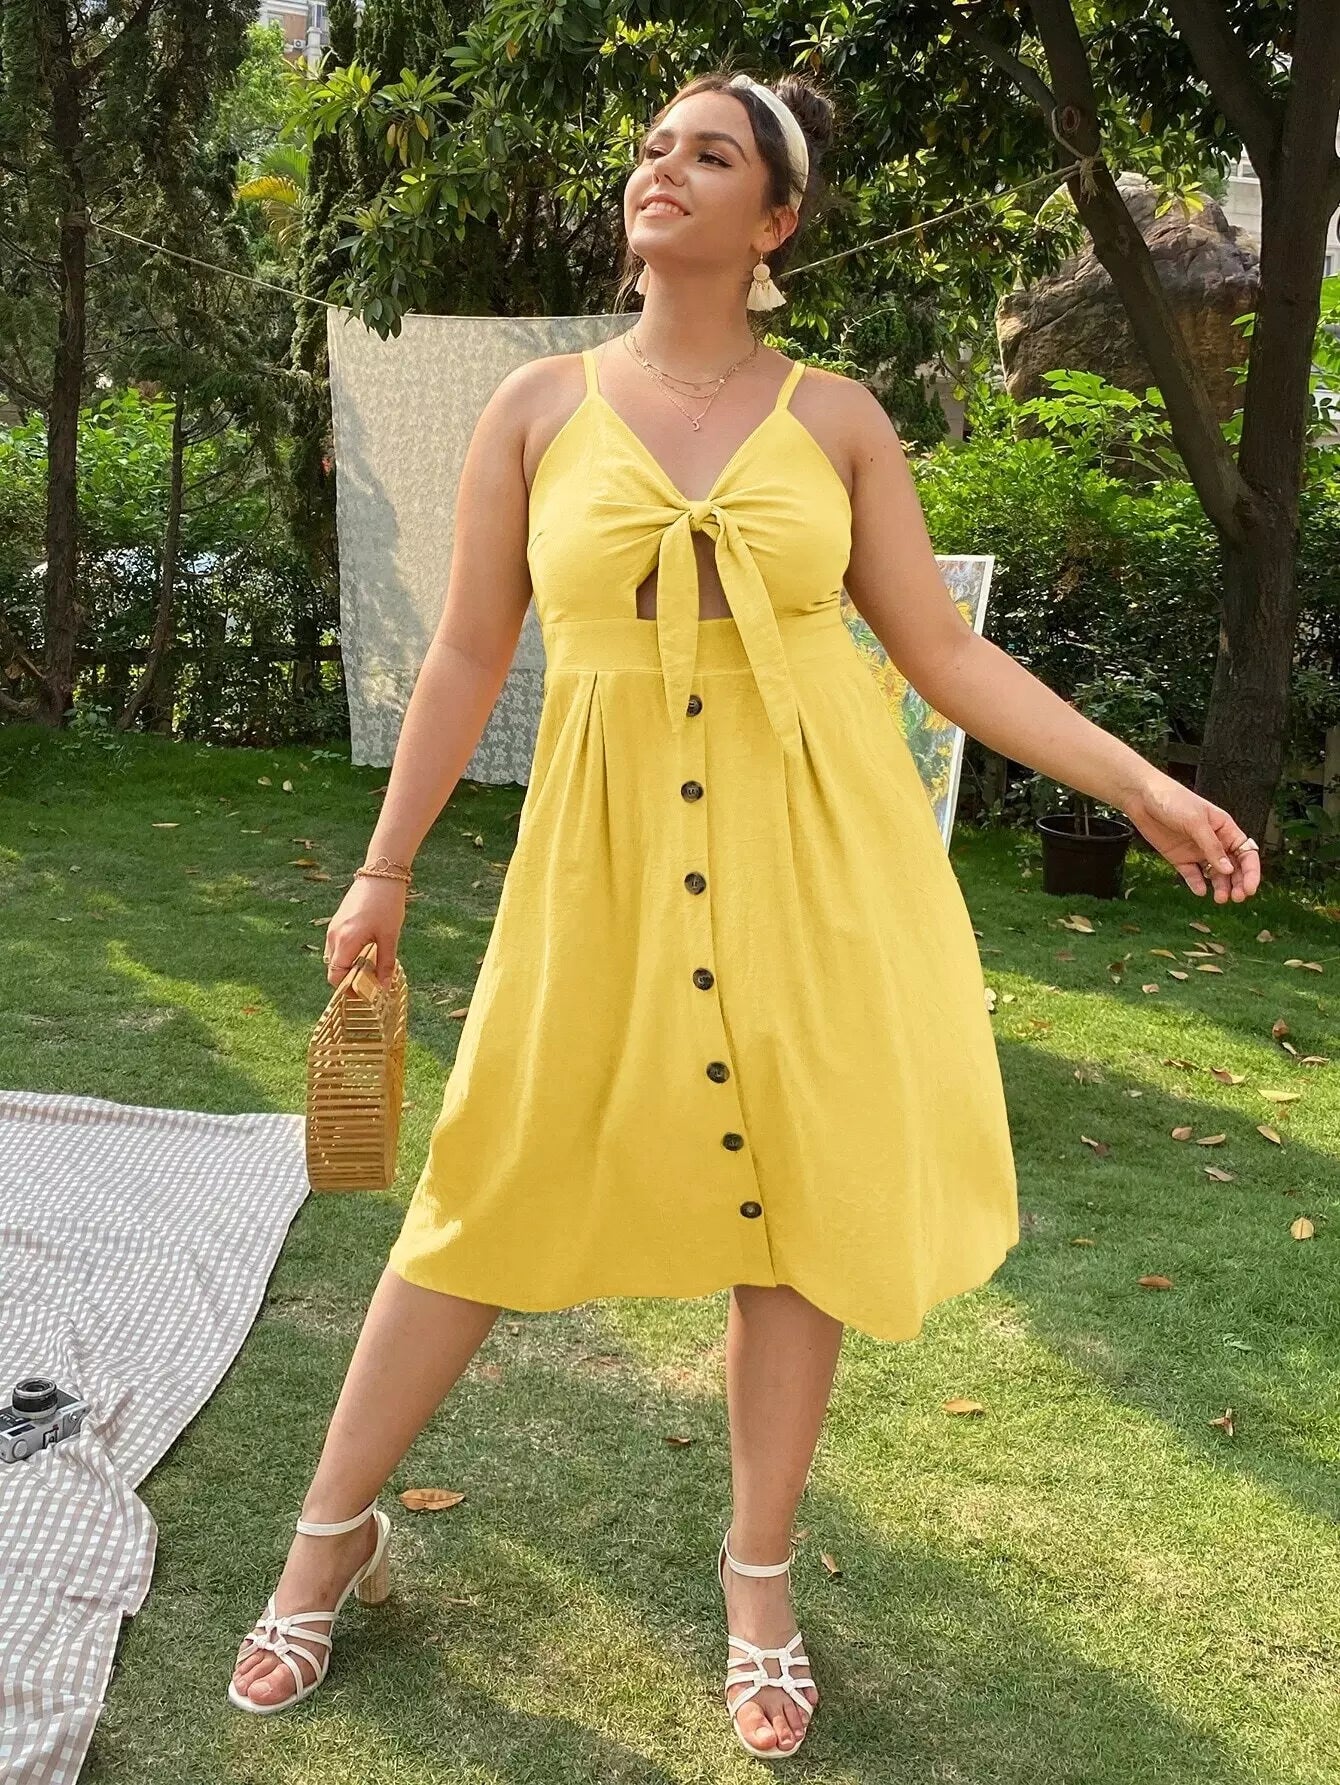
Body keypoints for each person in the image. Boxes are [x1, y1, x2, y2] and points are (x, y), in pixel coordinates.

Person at [228, 67, 1262, 1757]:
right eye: (652, 145)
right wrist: (385, 865)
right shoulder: (537, 409)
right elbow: (473, 650)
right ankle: (328, 1537)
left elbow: (943, 654)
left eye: (710, 155)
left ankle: (758, 1574)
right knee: (487, 1175)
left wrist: (1137, 781)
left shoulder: (837, 418)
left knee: (796, 1206)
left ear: (774, 221)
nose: (664, 169)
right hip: (604, 856)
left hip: (819, 854)